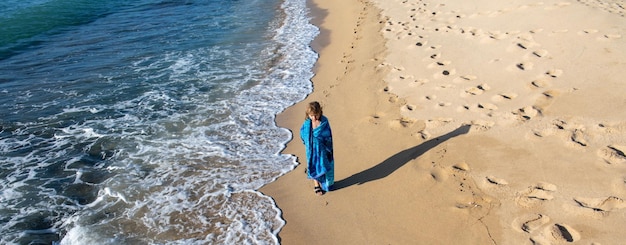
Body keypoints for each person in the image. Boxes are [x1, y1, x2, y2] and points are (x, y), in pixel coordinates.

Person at [300, 101, 334, 196]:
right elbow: (302, 134)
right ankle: (316, 184)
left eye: (316, 115)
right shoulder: (307, 124)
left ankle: (326, 183)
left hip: (323, 150)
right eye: (311, 116)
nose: (314, 118)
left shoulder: (324, 122)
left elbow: (328, 136)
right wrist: (307, 142)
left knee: (323, 165)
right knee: (313, 166)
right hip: (311, 150)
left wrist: (325, 146)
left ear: (320, 112)